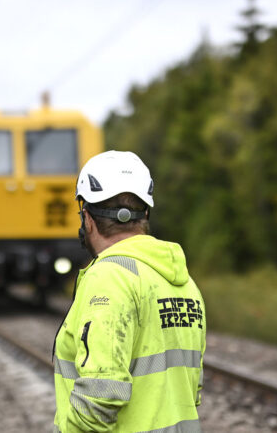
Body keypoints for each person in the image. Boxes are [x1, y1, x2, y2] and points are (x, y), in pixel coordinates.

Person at [53, 150, 207, 432]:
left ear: (87, 217)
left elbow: (99, 397)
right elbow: (190, 390)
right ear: (145, 214)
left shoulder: (109, 277)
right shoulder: (182, 281)